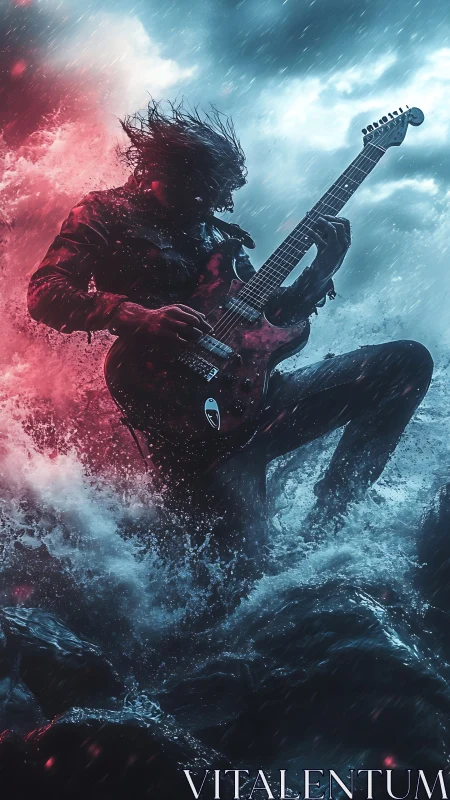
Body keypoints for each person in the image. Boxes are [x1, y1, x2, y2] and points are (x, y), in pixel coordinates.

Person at [27, 101, 433, 600]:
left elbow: (272, 322)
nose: (216, 205)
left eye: (221, 194)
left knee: (407, 363)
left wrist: (322, 269)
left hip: (260, 399)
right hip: (191, 432)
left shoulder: (221, 236)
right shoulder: (104, 213)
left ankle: (333, 518)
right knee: (245, 597)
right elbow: (45, 293)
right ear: (162, 171)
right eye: (205, 191)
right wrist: (137, 316)